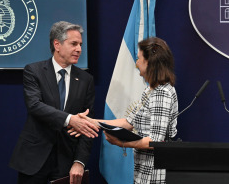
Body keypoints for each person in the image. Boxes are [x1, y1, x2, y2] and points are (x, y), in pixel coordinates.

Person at [74, 37, 178, 183]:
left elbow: (155, 141)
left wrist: (121, 143)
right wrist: (90, 121)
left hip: (154, 175)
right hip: (142, 172)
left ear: (149, 62)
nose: (136, 64)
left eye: (138, 58)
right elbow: (128, 122)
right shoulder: (150, 90)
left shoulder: (162, 93)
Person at [9, 21, 99, 184]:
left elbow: (88, 125)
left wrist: (79, 162)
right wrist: (70, 120)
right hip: (34, 161)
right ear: (57, 44)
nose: (79, 49)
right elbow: (34, 106)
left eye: (80, 44)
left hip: (67, 163)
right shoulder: (34, 71)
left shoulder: (86, 80)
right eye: (74, 44)